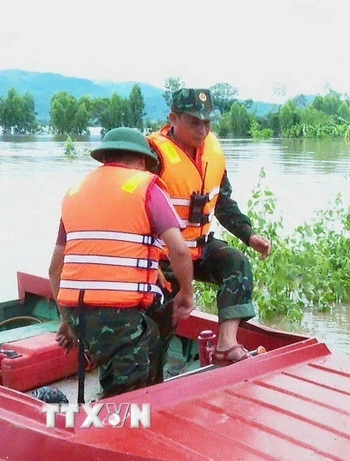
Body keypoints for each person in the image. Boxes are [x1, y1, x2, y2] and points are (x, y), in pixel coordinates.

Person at [49, 127, 195, 398]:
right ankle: (119, 421)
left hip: (75, 312)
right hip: (117, 315)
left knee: (146, 336)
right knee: (130, 391)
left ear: (105, 157)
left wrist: (66, 321)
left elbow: (54, 270)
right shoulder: (146, 188)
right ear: (142, 161)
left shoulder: (75, 193)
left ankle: (123, 393)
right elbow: (179, 250)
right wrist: (186, 293)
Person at [147, 88, 271, 371]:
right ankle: (150, 384)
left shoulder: (213, 153)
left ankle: (226, 345)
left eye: (208, 122)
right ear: (173, 118)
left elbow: (222, 201)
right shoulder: (152, 155)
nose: (202, 129)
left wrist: (249, 235)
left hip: (199, 247)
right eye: (194, 122)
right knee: (162, 325)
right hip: (163, 258)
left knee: (236, 264)